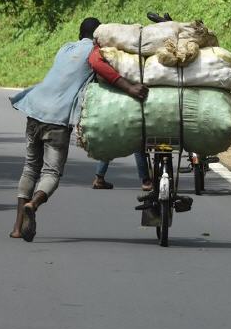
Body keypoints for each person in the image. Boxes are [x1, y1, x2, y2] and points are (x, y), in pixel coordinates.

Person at [9, 17, 148, 242]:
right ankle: (33, 204)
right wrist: (129, 88)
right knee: (51, 172)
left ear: (78, 33)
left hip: (34, 110)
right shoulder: (94, 51)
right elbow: (99, 66)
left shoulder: (65, 49)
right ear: (98, 38)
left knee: (30, 168)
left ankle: (16, 228)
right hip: (57, 120)